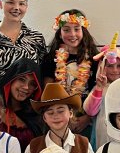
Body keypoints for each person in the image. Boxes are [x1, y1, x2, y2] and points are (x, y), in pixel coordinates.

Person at [42, 9, 100, 139]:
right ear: (59, 33)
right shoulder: (51, 59)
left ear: (83, 31)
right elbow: (48, 93)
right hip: (59, 119)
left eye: (77, 29)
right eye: (66, 30)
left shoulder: (94, 58)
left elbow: (98, 91)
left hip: (86, 120)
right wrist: (63, 117)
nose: (72, 34)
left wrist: (88, 118)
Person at [0, 58, 45, 152]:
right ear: (11, 79)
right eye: (22, 79)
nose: (26, 87)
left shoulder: (36, 116)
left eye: (32, 84)